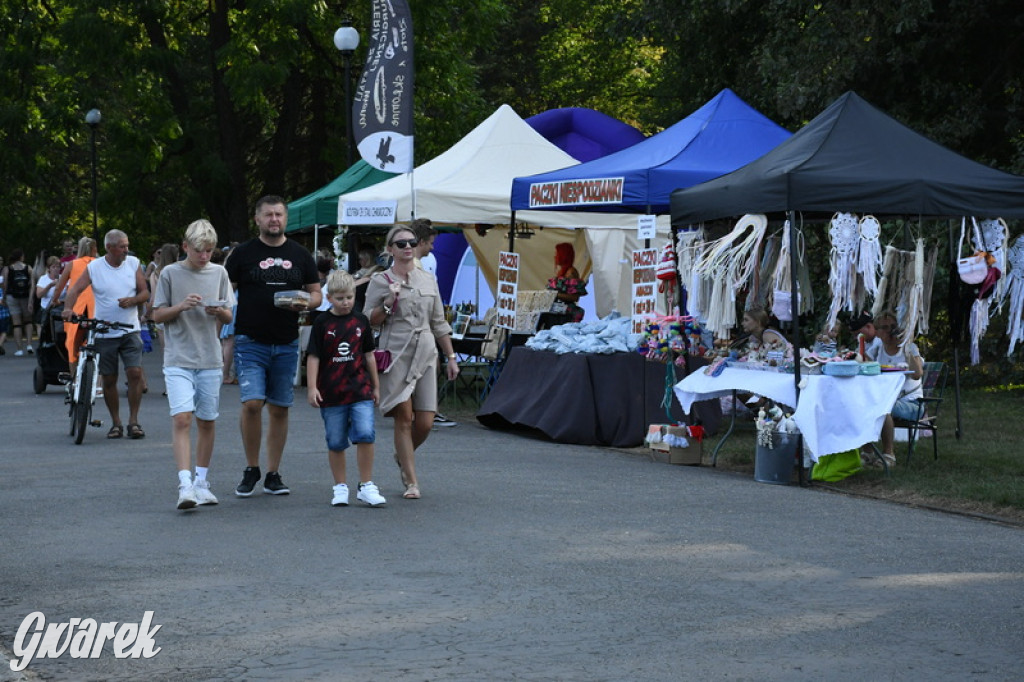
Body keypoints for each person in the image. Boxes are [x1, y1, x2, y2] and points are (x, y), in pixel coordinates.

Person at [224, 195, 321, 497]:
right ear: (257, 219)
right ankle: (251, 467)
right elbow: (224, 288)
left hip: (286, 341)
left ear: (286, 218)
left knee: (279, 408)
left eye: (279, 214)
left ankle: (272, 473)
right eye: (268, 215)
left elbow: (316, 294)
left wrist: (304, 304)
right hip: (250, 339)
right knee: (253, 403)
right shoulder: (243, 253)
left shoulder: (300, 254)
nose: (274, 220)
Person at [364, 225, 460, 500]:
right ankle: (411, 481)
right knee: (404, 417)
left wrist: (451, 357)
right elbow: (367, 320)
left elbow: (439, 323)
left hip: (427, 352)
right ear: (390, 249)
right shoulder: (380, 281)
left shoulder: (429, 279)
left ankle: (402, 454)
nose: (407, 247)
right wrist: (387, 303)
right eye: (401, 243)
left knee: (426, 422)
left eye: (412, 242)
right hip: (395, 352)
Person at [150, 219, 235, 510]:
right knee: (182, 418)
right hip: (178, 357)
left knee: (207, 420)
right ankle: (185, 484)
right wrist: (181, 306)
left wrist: (218, 310)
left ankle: (202, 482)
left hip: (210, 358)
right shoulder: (170, 274)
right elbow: (157, 315)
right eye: (199, 250)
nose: (204, 256)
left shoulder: (220, 272)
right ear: (186, 246)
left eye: (209, 251)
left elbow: (228, 317)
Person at [307, 270, 385, 507]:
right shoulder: (321, 323)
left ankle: (366, 484)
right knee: (336, 441)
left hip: (360, 389)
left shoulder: (361, 320)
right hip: (332, 393)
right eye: (340, 298)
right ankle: (340, 486)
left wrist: (376, 385)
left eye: (349, 297)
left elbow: (369, 355)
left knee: (365, 434)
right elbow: (313, 357)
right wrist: (312, 387)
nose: (346, 302)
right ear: (329, 298)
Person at [62, 230, 150, 439]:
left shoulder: (133, 263)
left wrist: (134, 301)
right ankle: (116, 423)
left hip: (130, 328)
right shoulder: (95, 267)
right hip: (104, 331)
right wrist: (68, 308)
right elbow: (74, 290)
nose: (126, 250)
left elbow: (145, 292)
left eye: (127, 245)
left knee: (135, 373)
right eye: (122, 246)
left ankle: (134, 421)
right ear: (109, 247)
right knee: (109, 379)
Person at [873, 312, 925, 470]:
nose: (890, 332)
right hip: (888, 399)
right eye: (885, 328)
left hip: (912, 403)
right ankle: (867, 453)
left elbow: (917, 374)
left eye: (893, 327)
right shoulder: (878, 349)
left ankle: (888, 455)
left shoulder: (909, 347)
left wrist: (906, 344)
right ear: (878, 332)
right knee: (866, 405)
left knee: (883, 408)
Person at [50, 238, 98, 377]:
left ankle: (74, 378)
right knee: (99, 346)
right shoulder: (99, 264)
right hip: (96, 308)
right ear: (95, 249)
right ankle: (99, 383)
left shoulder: (72, 264)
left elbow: (60, 285)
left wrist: (55, 300)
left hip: (77, 308)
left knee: (72, 345)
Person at [3, 248, 36, 356]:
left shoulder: (8, 269)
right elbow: (32, 285)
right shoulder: (28, 268)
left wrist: (3, 297)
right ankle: (29, 344)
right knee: (28, 321)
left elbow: (5, 284)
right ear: (21, 256)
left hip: (12, 297)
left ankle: (19, 349)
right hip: (25, 296)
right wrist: (31, 300)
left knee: (16, 323)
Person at [546, 242, 587, 323]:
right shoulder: (562, 272)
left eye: (557, 254)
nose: (555, 256)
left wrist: (555, 294)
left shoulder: (571, 272)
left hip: (565, 314)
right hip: (557, 311)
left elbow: (575, 297)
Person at [353, 243, 384, 313]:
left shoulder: (377, 270)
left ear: (367, 259)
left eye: (360, 259)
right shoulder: (362, 271)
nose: (359, 261)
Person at [34, 256, 62, 328]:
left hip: (60, 308)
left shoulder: (63, 278)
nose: (56, 269)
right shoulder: (43, 279)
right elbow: (39, 295)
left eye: (58, 267)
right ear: (49, 268)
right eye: (53, 267)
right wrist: (49, 286)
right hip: (46, 308)